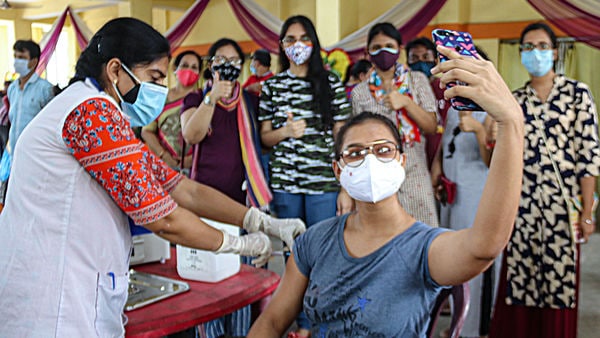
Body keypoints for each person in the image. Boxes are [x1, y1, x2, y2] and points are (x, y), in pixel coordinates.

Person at [0, 18, 305, 337]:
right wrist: (236, 243)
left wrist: (260, 221)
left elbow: (183, 189)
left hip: (68, 286)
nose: (160, 90)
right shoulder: (90, 112)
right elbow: (164, 219)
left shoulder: (104, 114)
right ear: (116, 70)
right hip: (52, 302)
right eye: (154, 77)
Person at [247, 43, 525, 336]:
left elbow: (485, 245)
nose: (369, 160)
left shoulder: (421, 248)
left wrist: (511, 123)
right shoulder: (315, 241)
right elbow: (272, 321)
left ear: (402, 163)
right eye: (355, 152)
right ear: (338, 171)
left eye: (382, 150)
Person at [489, 22, 600, 338]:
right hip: (521, 206)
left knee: (557, 280)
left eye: (541, 46)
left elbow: (588, 158)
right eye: (527, 47)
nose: (534, 53)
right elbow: (499, 161)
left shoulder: (577, 95)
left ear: (554, 52)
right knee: (520, 276)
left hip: (561, 210)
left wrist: (588, 212)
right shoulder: (514, 101)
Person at [258, 15, 351, 337]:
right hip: (286, 184)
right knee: (292, 255)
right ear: (282, 46)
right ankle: (297, 322)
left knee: (323, 254)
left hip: (324, 184)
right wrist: (284, 131)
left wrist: (345, 187)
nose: (297, 46)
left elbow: (343, 137)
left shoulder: (331, 83)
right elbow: (265, 138)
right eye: (290, 39)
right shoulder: (272, 85)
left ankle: (319, 321)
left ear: (313, 43)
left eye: (303, 39)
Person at [180, 37, 269, 338]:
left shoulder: (251, 102)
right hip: (203, 205)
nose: (227, 67)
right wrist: (212, 98)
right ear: (211, 66)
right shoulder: (196, 99)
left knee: (238, 281)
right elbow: (191, 135)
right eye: (221, 61)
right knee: (207, 279)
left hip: (240, 207)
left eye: (234, 62)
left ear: (242, 67)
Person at [350, 22, 439, 227]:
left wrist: (406, 102)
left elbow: (431, 126)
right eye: (376, 47)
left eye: (389, 46)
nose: (383, 52)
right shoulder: (359, 92)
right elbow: (357, 137)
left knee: (422, 229)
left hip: (413, 166)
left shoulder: (417, 81)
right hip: (376, 171)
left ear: (399, 49)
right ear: (368, 52)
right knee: (382, 230)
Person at [141, 50, 202, 172]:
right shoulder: (160, 98)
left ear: (199, 74)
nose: (189, 70)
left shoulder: (204, 100)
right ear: (175, 68)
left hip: (198, 166)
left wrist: (194, 158)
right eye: (184, 65)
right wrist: (164, 156)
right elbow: (147, 131)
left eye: (194, 67)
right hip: (166, 166)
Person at [7, 39, 54, 165]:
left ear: (33, 62)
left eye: (21, 57)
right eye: (15, 57)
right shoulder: (12, 89)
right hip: (14, 155)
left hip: (35, 156)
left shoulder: (45, 89)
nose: (17, 61)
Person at [406, 37, 451, 169]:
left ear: (435, 60)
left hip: (442, 154)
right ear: (408, 62)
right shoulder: (404, 90)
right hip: (415, 156)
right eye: (414, 58)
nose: (420, 62)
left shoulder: (446, 87)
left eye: (426, 57)